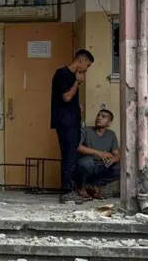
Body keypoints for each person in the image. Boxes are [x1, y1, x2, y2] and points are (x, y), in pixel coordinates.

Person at [50, 49, 94, 204]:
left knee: (72, 156)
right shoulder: (63, 74)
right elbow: (67, 96)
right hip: (66, 122)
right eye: (87, 66)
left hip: (72, 121)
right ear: (81, 61)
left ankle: (72, 189)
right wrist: (78, 82)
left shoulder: (71, 76)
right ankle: (67, 192)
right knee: (69, 157)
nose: (86, 70)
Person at [75, 109, 120, 200]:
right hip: (87, 164)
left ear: (109, 122)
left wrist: (114, 159)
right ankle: (82, 188)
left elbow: (117, 153)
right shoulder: (85, 130)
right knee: (87, 162)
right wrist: (98, 153)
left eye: (103, 116)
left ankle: (95, 186)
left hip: (101, 166)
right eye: (98, 115)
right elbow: (77, 147)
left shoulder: (111, 134)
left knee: (122, 167)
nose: (99, 118)